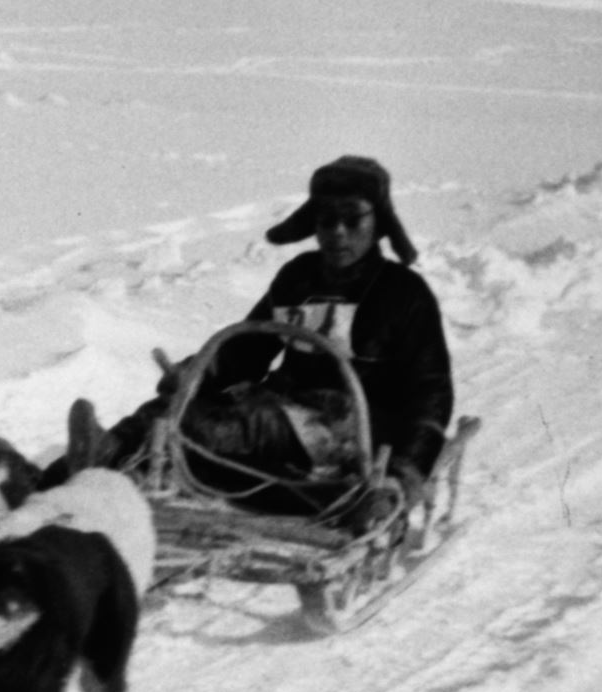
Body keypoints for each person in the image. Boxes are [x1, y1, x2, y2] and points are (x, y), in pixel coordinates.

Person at [84, 154, 454, 516]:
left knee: (241, 425)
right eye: (327, 219)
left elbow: (431, 391)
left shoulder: (404, 293)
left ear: (379, 222)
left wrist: (406, 471)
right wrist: (194, 375)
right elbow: (245, 350)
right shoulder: (299, 277)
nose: (338, 231)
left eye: (352, 218)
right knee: (170, 410)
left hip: (355, 429)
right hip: (285, 410)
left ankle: (121, 460)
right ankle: (96, 458)